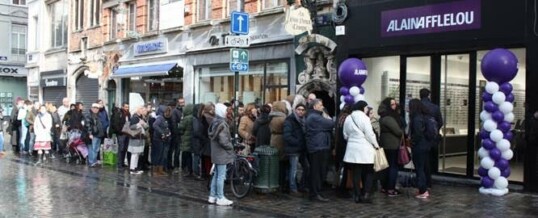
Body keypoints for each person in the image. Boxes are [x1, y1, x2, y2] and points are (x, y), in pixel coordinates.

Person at [305, 99, 334, 202]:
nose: (322, 107)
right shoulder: (314, 117)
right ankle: (314, 193)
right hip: (317, 147)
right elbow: (330, 123)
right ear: (315, 107)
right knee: (317, 172)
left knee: (320, 171)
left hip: (320, 146)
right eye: (320, 105)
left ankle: (317, 191)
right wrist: (327, 121)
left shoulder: (316, 116)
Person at [207, 103, 235, 206]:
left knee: (216, 175)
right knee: (221, 176)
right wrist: (230, 146)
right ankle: (220, 197)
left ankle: (212, 196)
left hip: (216, 153)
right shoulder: (221, 124)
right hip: (221, 153)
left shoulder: (214, 122)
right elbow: (223, 141)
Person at [378, 98, 404, 197]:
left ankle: (385, 187)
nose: (395, 106)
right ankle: (390, 188)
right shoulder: (388, 118)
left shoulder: (384, 116)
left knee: (387, 166)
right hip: (392, 145)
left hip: (386, 144)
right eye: (392, 104)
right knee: (393, 167)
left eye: (395, 104)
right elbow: (398, 131)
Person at [419, 88, 443, 189]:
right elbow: (440, 122)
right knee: (429, 159)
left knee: (422, 161)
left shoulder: (417, 106)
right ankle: (428, 181)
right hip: (432, 138)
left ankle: (424, 181)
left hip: (421, 138)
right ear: (428, 95)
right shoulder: (435, 107)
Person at [408, 98, 432, 198]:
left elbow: (417, 133)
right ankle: (423, 188)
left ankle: (423, 190)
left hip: (419, 146)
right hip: (425, 145)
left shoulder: (416, 118)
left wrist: (412, 142)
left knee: (419, 168)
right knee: (423, 167)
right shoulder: (425, 116)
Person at [283, 103, 308, 196]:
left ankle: (301, 186)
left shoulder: (304, 120)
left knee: (307, 167)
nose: (301, 111)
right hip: (293, 149)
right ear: (295, 110)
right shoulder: (290, 120)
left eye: (302, 110)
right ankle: (292, 189)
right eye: (299, 109)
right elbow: (287, 136)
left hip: (301, 149)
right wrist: (298, 142)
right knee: (293, 169)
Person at [269, 101, 289, 193]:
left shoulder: (271, 117)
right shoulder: (283, 118)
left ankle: (275, 182)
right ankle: (281, 183)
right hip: (281, 141)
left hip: (273, 139)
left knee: (275, 163)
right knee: (282, 164)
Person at [335, 105, 352, 197]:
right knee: (345, 168)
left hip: (340, 146)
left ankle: (339, 186)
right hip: (344, 146)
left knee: (341, 167)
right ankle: (343, 188)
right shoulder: (347, 118)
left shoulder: (340, 117)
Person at [127, 106, 149, 175]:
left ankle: (135, 168)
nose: (144, 111)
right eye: (142, 110)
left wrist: (143, 124)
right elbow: (131, 127)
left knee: (137, 154)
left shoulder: (140, 118)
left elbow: (146, 127)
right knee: (134, 154)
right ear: (139, 110)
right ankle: (132, 169)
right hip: (135, 139)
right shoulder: (134, 118)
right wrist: (139, 124)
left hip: (139, 138)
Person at [151, 105, 172, 176]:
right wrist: (162, 133)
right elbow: (155, 125)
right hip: (158, 139)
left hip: (163, 139)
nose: (168, 113)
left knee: (162, 155)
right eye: (167, 111)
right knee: (158, 155)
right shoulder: (160, 118)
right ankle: (156, 170)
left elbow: (165, 127)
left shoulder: (164, 118)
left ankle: (160, 170)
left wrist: (168, 132)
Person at [110, 103, 131, 169]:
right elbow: (116, 124)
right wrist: (120, 131)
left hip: (127, 133)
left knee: (125, 149)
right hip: (121, 134)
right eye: (125, 107)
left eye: (128, 107)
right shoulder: (119, 113)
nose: (127, 108)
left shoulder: (128, 114)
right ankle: (119, 164)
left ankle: (122, 163)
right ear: (122, 107)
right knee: (121, 149)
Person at [85, 103, 106, 167]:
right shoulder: (89, 115)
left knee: (96, 149)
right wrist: (90, 133)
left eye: (97, 108)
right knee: (92, 148)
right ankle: (91, 162)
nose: (96, 109)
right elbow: (88, 125)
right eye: (95, 108)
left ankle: (94, 161)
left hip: (98, 134)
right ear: (92, 108)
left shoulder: (98, 115)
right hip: (93, 135)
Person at [192, 104, 207, 180]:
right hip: (197, 141)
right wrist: (203, 137)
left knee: (198, 157)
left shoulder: (200, 119)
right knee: (196, 157)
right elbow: (196, 132)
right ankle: (196, 173)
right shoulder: (195, 119)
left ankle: (198, 173)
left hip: (200, 141)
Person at [170, 98, 185, 173]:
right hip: (177, 134)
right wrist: (176, 132)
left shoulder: (184, 110)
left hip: (183, 133)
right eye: (181, 102)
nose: (182, 103)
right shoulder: (175, 111)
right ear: (178, 103)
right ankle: (175, 166)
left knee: (180, 151)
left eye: (183, 102)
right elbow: (174, 123)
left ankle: (181, 166)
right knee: (177, 151)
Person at [179, 104, 194, 177]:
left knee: (186, 155)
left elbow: (181, 127)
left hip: (186, 138)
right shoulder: (194, 117)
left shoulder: (186, 118)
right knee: (190, 155)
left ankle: (186, 169)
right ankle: (190, 169)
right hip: (191, 138)